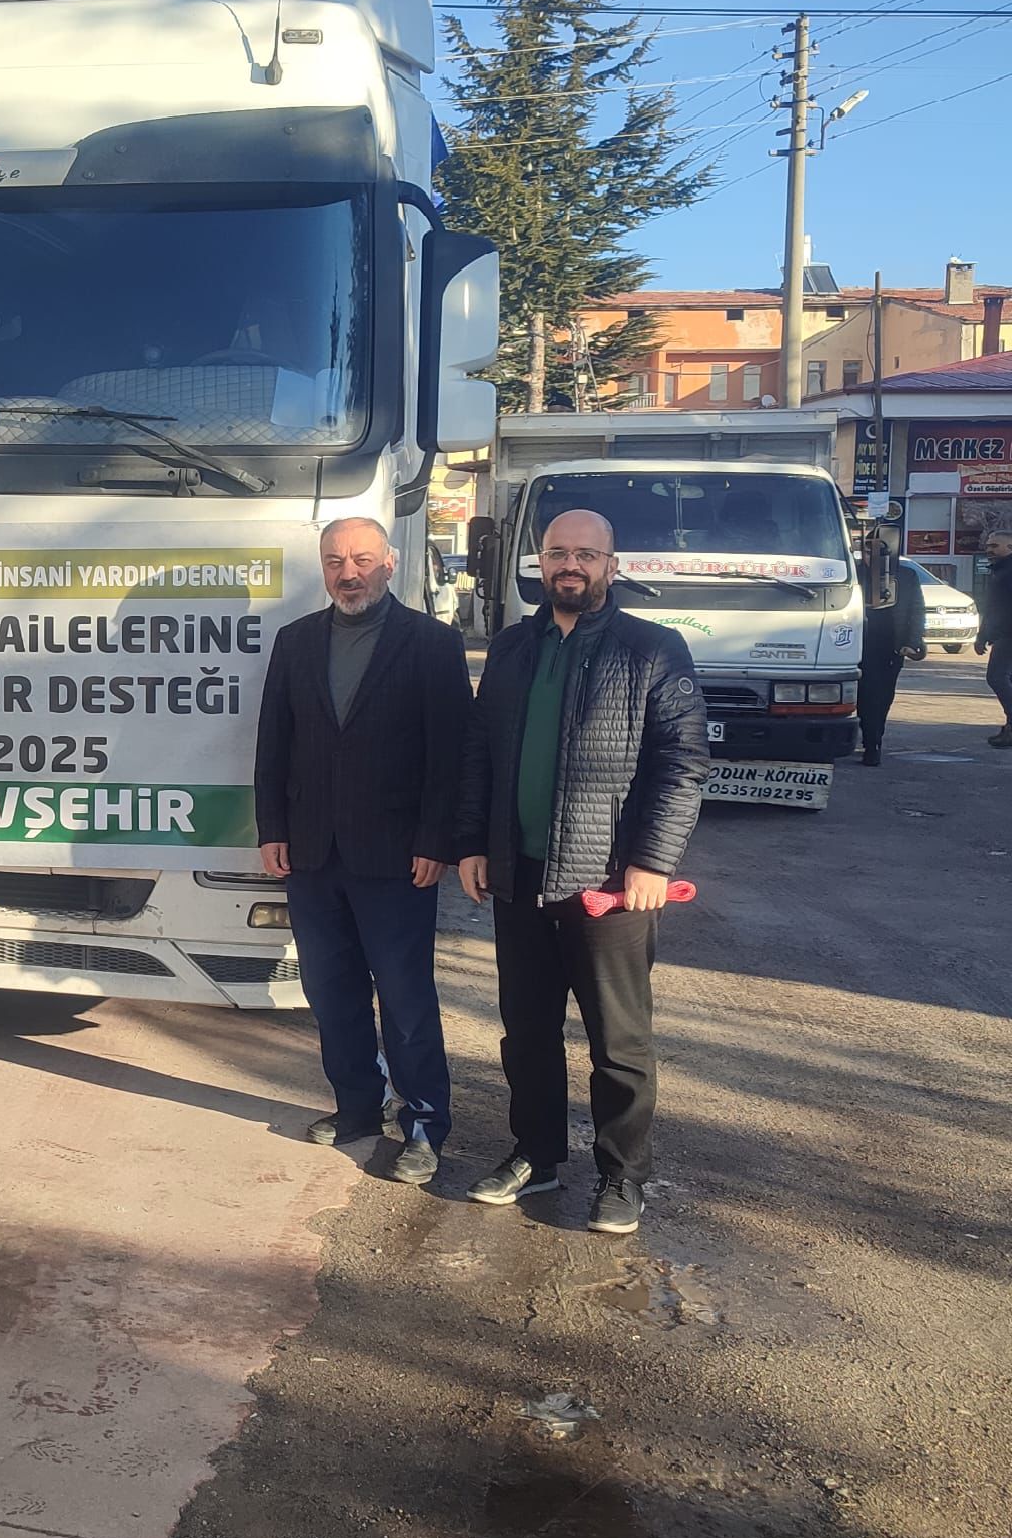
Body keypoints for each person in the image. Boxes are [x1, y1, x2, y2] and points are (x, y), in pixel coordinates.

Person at [455, 508, 709, 1236]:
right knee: (526, 1032)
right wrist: (473, 842)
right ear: (540, 562)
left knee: (618, 1043)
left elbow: (682, 762)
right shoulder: (511, 647)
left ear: (611, 564)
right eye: (558, 553)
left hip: (608, 885)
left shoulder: (652, 649)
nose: (572, 565)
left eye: (587, 555)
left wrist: (654, 860)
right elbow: (480, 752)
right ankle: (534, 1157)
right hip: (519, 873)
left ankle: (622, 1177)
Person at [255, 517, 472, 1184]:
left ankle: (425, 1126)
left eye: (361, 559)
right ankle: (356, 1107)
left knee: (405, 1000)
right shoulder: (295, 643)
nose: (347, 573)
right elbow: (273, 745)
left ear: (389, 562)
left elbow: (453, 756)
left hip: (399, 857)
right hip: (314, 855)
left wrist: (438, 840)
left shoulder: (432, 644)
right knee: (331, 992)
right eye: (333, 561)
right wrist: (272, 830)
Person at [856, 546, 925, 766]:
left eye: (877, 553)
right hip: (858, 646)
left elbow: (917, 610)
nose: (871, 558)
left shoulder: (905, 575)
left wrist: (912, 642)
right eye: (866, 553)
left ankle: (874, 739)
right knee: (865, 695)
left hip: (891, 647)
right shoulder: (854, 573)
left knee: (883, 696)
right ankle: (870, 740)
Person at [977, 530, 1012, 748]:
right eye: (988, 545)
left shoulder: (1008, 572)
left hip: (1008, 635)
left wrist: (989, 634)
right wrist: (983, 635)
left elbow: (1000, 610)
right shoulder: (1000, 570)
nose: (989, 549)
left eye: (994, 546)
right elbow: (992, 608)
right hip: (1001, 634)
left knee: (996, 677)